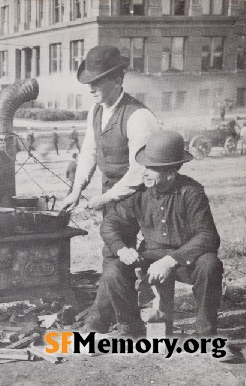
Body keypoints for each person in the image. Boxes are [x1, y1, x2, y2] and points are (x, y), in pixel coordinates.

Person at [60, 45, 160, 334]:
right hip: (114, 192)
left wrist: (105, 196)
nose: (90, 88)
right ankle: (116, 319)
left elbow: (140, 170)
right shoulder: (97, 110)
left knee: (119, 254)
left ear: (117, 80)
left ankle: (110, 320)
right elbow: (89, 152)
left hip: (142, 194)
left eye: (97, 81)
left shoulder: (138, 116)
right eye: (88, 82)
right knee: (115, 252)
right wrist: (76, 190)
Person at [99, 131, 223, 337]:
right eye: (145, 167)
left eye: (152, 168)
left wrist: (171, 260)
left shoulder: (191, 192)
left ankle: (206, 335)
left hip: (186, 262)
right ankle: (130, 329)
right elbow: (109, 224)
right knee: (113, 271)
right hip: (148, 259)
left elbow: (208, 236)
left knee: (210, 264)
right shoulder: (139, 193)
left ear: (170, 172)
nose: (145, 173)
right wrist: (121, 249)